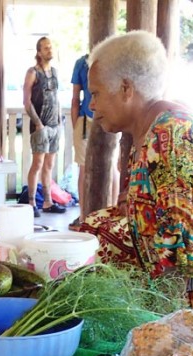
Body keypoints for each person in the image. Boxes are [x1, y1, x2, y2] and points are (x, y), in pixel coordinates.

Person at [79, 31, 193, 314]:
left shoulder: (175, 139)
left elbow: (186, 257)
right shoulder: (151, 132)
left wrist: (158, 323)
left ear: (126, 89)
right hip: (190, 305)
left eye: (96, 93)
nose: (91, 104)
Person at [69, 52, 120, 229]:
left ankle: (86, 216)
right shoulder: (112, 60)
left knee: (89, 167)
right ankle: (108, 214)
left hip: (91, 118)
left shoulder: (82, 62)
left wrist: (76, 122)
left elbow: (75, 98)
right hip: (99, 118)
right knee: (107, 165)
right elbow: (75, 98)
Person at [23, 36, 66, 218]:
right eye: (46, 48)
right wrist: (38, 123)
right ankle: (32, 202)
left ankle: (48, 201)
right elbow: (26, 100)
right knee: (38, 163)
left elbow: (56, 98)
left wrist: (59, 121)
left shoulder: (54, 72)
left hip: (55, 124)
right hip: (40, 125)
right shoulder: (33, 72)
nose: (50, 50)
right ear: (39, 52)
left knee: (49, 164)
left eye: (51, 47)